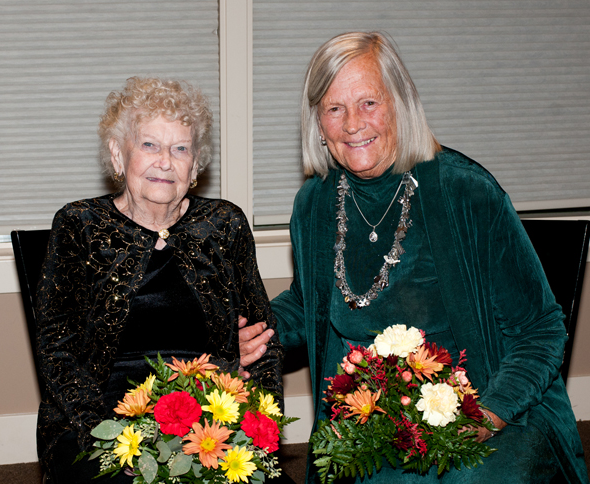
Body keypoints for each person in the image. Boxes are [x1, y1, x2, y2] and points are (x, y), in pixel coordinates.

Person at [240, 32, 588, 483]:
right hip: (368, 422)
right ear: (318, 123)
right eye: (334, 108)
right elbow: (311, 301)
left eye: (368, 103)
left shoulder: (465, 193)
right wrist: (256, 328)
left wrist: (490, 415)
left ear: (400, 105)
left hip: (482, 413)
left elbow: (541, 330)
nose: (352, 125)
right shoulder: (315, 205)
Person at [35, 77, 285, 483]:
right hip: (102, 413)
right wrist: (105, 434)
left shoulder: (224, 224)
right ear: (119, 154)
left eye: (180, 148)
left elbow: (264, 341)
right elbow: (56, 350)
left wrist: (257, 421)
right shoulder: (78, 225)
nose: (165, 161)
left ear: (196, 163)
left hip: (206, 411)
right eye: (149, 145)